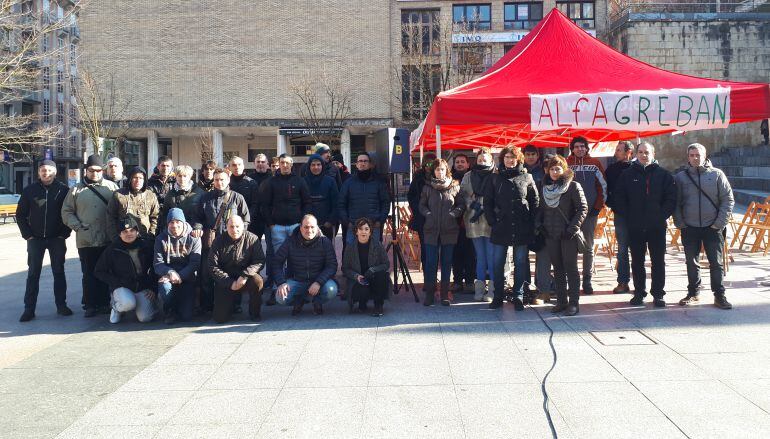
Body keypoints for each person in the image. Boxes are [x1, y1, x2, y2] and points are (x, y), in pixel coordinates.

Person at [615, 142, 677, 307]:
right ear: (636, 153)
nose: (643, 155)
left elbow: (671, 198)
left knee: (658, 261)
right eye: (640, 152)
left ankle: (658, 294)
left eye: (647, 152)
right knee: (637, 261)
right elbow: (619, 198)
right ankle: (639, 292)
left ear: (653, 154)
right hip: (635, 226)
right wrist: (629, 216)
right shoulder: (627, 175)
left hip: (656, 226)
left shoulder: (664, 175)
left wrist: (661, 215)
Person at [674, 143, 735, 310]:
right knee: (691, 262)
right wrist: (680, 223)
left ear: (704, 155)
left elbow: (727, 200)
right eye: (692, 155)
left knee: (716, 263)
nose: (695, 158)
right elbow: (676, 203)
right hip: (690, 227)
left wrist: (719, 223)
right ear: (688, 157)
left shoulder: (717, 175)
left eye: (698, 155)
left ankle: (719, 295)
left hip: (713, 226)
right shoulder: (680, 177)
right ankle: (693, 292)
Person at [61, 154, 119, 317]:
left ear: (103, 170)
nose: (95, 173)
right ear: (86, 170)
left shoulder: (111, 187)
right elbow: (66, 211)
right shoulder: (76, 190)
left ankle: (104, 303)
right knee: (88, 274)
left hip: (107, 238)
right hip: (86, 239)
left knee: (106, 272)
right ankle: (90, 304)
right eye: (91, 170)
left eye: (98, 170)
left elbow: (119, 210)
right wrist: (77, 226)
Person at [16, 160, 73, 322]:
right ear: (38, 173)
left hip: (57, 238)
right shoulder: (29, 191)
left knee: (59, 272)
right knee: (33, 273)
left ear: (55, 172)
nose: (45, 173)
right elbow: (20, 215)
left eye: (49, 170)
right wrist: (28, 235)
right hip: (35, 239)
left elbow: (69, 213)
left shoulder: (63, 190)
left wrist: (64, 234)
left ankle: (61, 305)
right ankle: (29, 308)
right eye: (42, 170)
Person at [484, 146, 539, 310]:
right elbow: (487, 202)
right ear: (502, 159)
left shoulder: (527, 177)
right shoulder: (494, 178)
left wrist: (532, 222)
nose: (510, 160)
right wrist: (493, 221)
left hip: (521, 225)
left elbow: (535, 201)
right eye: (507, 157)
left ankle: (518, 296)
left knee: (521, 262)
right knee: (498, 262)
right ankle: (498, 296)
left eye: (513, 157)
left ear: (518, 159)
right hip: (501, 225)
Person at [192, 167, 251, 313]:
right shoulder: (205, 198)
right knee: (207, 275)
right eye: (216, 179)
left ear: (228, 180)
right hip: (211, 243)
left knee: (232, 273)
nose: (219, 182)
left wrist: (238, 234)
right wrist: (198, 227)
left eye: (222, 179)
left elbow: (246, 219)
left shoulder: (237, 197)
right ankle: (207, 306)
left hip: (231, 243)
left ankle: (235, 305)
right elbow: (197, 217)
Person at [538, 155, 588, 316]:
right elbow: (540, 209)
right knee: (558, 269)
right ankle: (561, 301)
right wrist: (540, 226)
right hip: (551, 234)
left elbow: (582, 208)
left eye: (558, 168)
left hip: (568, 235)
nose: (554, 172)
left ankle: (574, 303)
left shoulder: (573, 186)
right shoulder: (544, 187)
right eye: (552, 169)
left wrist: (572, 228)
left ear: (564, 169)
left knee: (571, 268)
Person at [94, 217, 157, 324]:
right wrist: (116, 283)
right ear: (119, 234)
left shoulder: (146, 246)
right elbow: (99, 271)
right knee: (128, 303)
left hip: (142, 287)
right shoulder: (113, 249)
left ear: (137, 231)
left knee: (145, 318)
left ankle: (141, 304)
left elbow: (155, 267)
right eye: (124, 231)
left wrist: (153, 288)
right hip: (122, 287)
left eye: (132, 230)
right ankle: (116, 307)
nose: (129, 234)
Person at [419, 159, 464, 306]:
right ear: (433, 172)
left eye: (442, 169)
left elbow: (461, 205)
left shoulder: (455, 186)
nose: (440, 172)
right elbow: (422, 205)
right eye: (437, 169)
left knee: (446, 262)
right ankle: (430, 294)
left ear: (447, 171)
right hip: (431, 230)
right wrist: (428, 214)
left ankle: (445, 294)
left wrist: (453, 214)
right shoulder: (427, 187)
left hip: (449, 230)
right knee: (431, 262)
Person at [273, 215, 338, 316]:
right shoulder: (290, 241)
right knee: (280, 298)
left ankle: (317, 301)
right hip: (297, 280)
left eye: (312, 227)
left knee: (331, 290)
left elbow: (332, 265)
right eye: (306, 227)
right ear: (300, 227)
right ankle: (299, 300)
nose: (309, 230)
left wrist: (318, 282)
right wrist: (281, 282)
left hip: (319, 281)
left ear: (317, 227)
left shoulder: (324, 242)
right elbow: (276, 262)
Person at [566, 136, 607, 295]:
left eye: (582, 146)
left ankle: (587, 280)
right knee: (571, 248)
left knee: (589, 247)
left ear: (587, 148)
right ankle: (573, 280)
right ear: (572, 148)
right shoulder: (566, 164)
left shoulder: (595, 164)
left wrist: (598, 207)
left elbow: (602, 186)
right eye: (576, 146)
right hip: (570, 215)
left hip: (590, 213)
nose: (580, 149)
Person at [209, 215, 265, 323]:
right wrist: (229, 282)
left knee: (258, 281)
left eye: (237, 226)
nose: (235, 230)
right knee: (220, 319)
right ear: (226, 227)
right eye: (231, 227)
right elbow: (212, 266)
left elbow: (259, 261)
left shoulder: (252, 239)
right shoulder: (218, 241)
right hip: (226, 278)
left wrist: (245, 275)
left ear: (243, 226)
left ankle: (255, 313)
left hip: (246, 277)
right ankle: (229, 309)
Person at [457, 148, 495, 302]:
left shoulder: (496, 175)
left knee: (491, 257)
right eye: (480, 160)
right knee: (480, 256)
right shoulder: (468, 175)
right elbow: (462, 193)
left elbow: (500, 195)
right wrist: (471, 204)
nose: (482, 162)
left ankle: (492, 290)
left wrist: (489, 205)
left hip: (492, 220)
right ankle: (479, 289)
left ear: (491, 160)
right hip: (474, 219)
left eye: (485, 160)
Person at [154, 208, 202, 324]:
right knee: (165, 287)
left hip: (187, 277)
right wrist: (170, 273)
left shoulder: (194, 238)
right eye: (171, 222)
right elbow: (158, 264)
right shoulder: (160, 239)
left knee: (186, 317)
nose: (174, 225)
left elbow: (194, 263)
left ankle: (186, 304)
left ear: (183, 222)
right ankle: (170, 310)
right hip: (168, 276)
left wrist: (180, 276)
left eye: (177, 222)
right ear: (167, 224)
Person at [522, 144, 554, 305]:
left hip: (541, 219)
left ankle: (543, 289)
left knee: (542, 255)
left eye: (533, 154)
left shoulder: (544, 171)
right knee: (522, 257)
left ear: (538, 156)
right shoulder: (519, 171)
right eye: (528, 154)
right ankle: (525, 288)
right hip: (522, 218)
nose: (530, 157)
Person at [342, 218, 390, 316]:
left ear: (370, 232)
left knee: (382, 275)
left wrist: (373, 269)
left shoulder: (378, 245)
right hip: (358, 280)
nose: (363, 231)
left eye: (366, 229)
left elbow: (386, 264)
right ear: (356, 231)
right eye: (360, 229)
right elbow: (345, 268)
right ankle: (361, 302)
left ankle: (378, 305)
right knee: (362, 290)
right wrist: (356, 276)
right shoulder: (350, 247)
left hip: (373, 277)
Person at [339, 152, 390, 244]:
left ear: (370, 164)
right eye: (360, 161)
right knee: (352, 255)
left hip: (373, 226)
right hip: (353, 226)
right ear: (357, 164)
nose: (363, 163)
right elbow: (341, 204)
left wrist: (380, 220)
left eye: (365, 161)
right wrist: (347, 222)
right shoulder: (348, 183)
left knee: (374, 255)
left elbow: (385, 202)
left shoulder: (379, 182)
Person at [605, 141, 635, 294]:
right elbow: (606, 189)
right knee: (622, 249)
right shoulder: (611, 169)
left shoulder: (638, 168)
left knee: (638, 249)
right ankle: (622, 282)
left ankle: (639, 283)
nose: (616, 152)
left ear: (628, 152)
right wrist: (613, 205)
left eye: (619, 150)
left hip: (638, 215)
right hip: (621, 215)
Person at [107, 166, 160, 240]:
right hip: (124, 239)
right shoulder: (118, 195)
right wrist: (115, 238)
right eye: (135, 177)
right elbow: (111, 218)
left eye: (141, 178)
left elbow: (155, 218)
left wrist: (151, 235)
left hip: (145, 239)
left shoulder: (150, 196)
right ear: (130, 179)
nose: (138, 180)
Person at [450, 153, 475, 294]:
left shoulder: (473, 178)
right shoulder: (450, 179)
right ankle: (458, 281)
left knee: (470, 253)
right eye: (457, 162)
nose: (459, 164)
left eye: (462, 162)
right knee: (456, 253)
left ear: (467, 164)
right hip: (454, 222)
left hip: (470, 221)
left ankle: (470, 281)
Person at [407, 153, 436, 271]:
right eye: (427, 163)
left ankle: (434, 275)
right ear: (424, 164)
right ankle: (428, 277)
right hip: (422, 219)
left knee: (436, 249)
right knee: (425, 248)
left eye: (432, 164)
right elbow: (411, 196)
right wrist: (419, 209)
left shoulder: (439, 176)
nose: (429, 166)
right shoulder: (418, 178)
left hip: (437, 219)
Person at [303, 153, 339, 239]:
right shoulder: (303, 182)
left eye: (318, 164)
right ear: (309, 166)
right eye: (313, 165)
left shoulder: (330, 181)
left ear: (322, 166)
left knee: (326, 251)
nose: (316, 167)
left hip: (326, 225)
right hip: (307, 225)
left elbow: (336, 203)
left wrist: (330, 221)